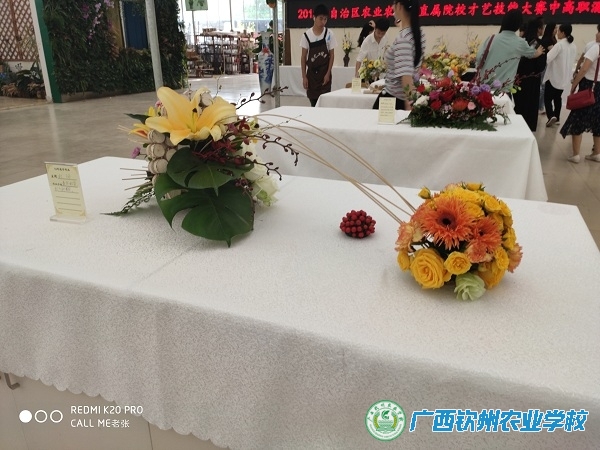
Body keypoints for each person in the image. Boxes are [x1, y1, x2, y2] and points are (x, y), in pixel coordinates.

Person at [373, 0, 425, 110]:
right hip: (400, 98)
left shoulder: (403, 39)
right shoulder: (418, 34)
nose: (392, 7)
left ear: (399, 6)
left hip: (393, 101)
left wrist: (410, 109)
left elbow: (406, 77)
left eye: (393, 4)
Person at [475, 10, 545, 93]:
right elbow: (532, 54)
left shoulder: (491, 38)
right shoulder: (520, 42)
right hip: (503, 90)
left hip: (484, 87)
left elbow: (479, 58)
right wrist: (539, 51)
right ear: (519, 25)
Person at [560, 26, 600, 163]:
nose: (596, 34)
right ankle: (597, 153)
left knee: (578, 117)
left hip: (589, 87)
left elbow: (584, 69)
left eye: (599, 32)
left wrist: (574, 85)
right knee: (597, 120)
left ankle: (576, 154)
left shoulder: (596, 48)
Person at [300, 4, 337, 107]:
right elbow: (303, 57)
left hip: (324, 75)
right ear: (314, 17)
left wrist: (328, 73)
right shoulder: (306, 35)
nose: (323, 22)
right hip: (312, 76)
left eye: (325, 19)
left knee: (325, 103)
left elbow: (332, 55)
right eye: (320, 18)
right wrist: (304, 77)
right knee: (313, 103)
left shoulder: (329, 34)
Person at [513, 18, 546, 131]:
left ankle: (515, 128)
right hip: (532, 80)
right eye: (542, 28)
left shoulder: (521, 41)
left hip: (518, 78)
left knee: (519, 105)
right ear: (538, 29)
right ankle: (527, 131)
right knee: (530, 107)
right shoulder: (539, 45)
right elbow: (541, 66)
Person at [543, 24, 577, 127]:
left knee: (547, 98)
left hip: (554, 76)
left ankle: (551, 115)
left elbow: (548, 58)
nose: (557, 33)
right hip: (564, 77)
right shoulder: (573, 46)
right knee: (558, 97)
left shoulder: (559, 45)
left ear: (563, 33)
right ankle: (557, 117)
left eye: (558, 31)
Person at [538, 22, 557, 114]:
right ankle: (539, 107)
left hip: (550, 65)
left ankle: (542, 106)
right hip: (545, 65)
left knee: (545, 86)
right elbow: (554, 52)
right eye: (555, 28)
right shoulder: (547, 40)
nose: (556, 30)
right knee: (543, 86)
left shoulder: (553, 39)